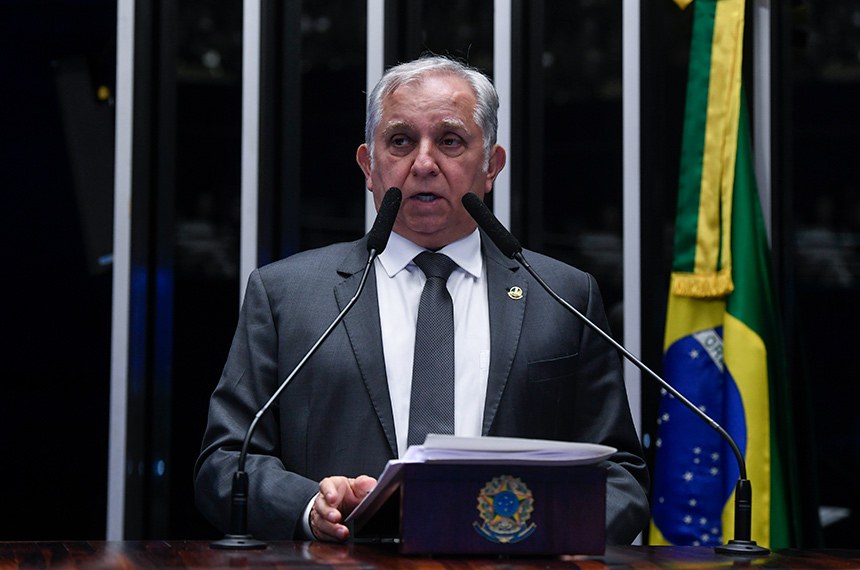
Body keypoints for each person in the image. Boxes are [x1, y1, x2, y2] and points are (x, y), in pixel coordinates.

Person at [194, 55, 649, 544]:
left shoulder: (561, 295)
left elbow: (622, 480)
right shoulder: (286, 294)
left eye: (450, 141)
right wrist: (310, 508)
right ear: (369, 166)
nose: (425, 163)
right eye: (400, 141)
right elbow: (225, 463)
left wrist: (526, 529)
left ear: (491, 165)